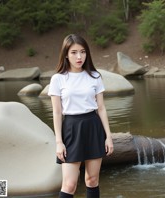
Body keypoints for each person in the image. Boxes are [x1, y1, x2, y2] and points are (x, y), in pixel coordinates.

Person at [48, 34, 114, 198]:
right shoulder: (58, 79)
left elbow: (101, 108)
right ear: (66, 54)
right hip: (71, 128)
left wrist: (108, 137)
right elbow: (56, 112)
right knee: (69, 184)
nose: (79, 57)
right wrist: (59, 142)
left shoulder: (95, 76)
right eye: (74, 52)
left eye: (83, 52)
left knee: (92, 180)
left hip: (93, 126)